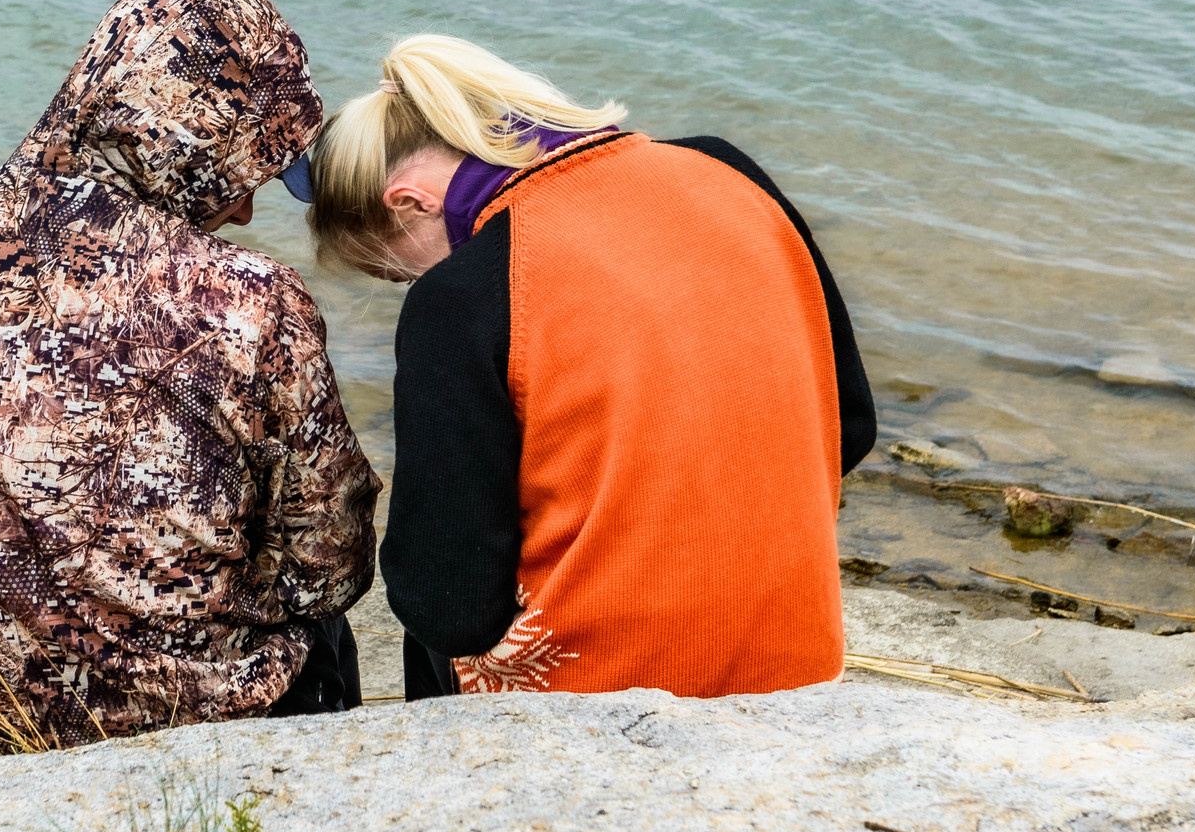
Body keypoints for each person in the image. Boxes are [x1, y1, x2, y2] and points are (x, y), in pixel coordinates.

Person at [0, 0, 380, 758]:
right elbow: (330, 567)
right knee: (323, 629)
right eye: (241, 165)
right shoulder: (250, 301)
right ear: (179, 141)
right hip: (208, 724)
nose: (246, 209)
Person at [304, 35, 876, 701]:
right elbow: (851, 425)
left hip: (604, 699)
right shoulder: (728, 168)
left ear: (410, 203)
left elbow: (451, 605)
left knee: (428, 609)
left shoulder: (460, 295)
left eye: (401, 271)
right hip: (797, 661)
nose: (421, 284)